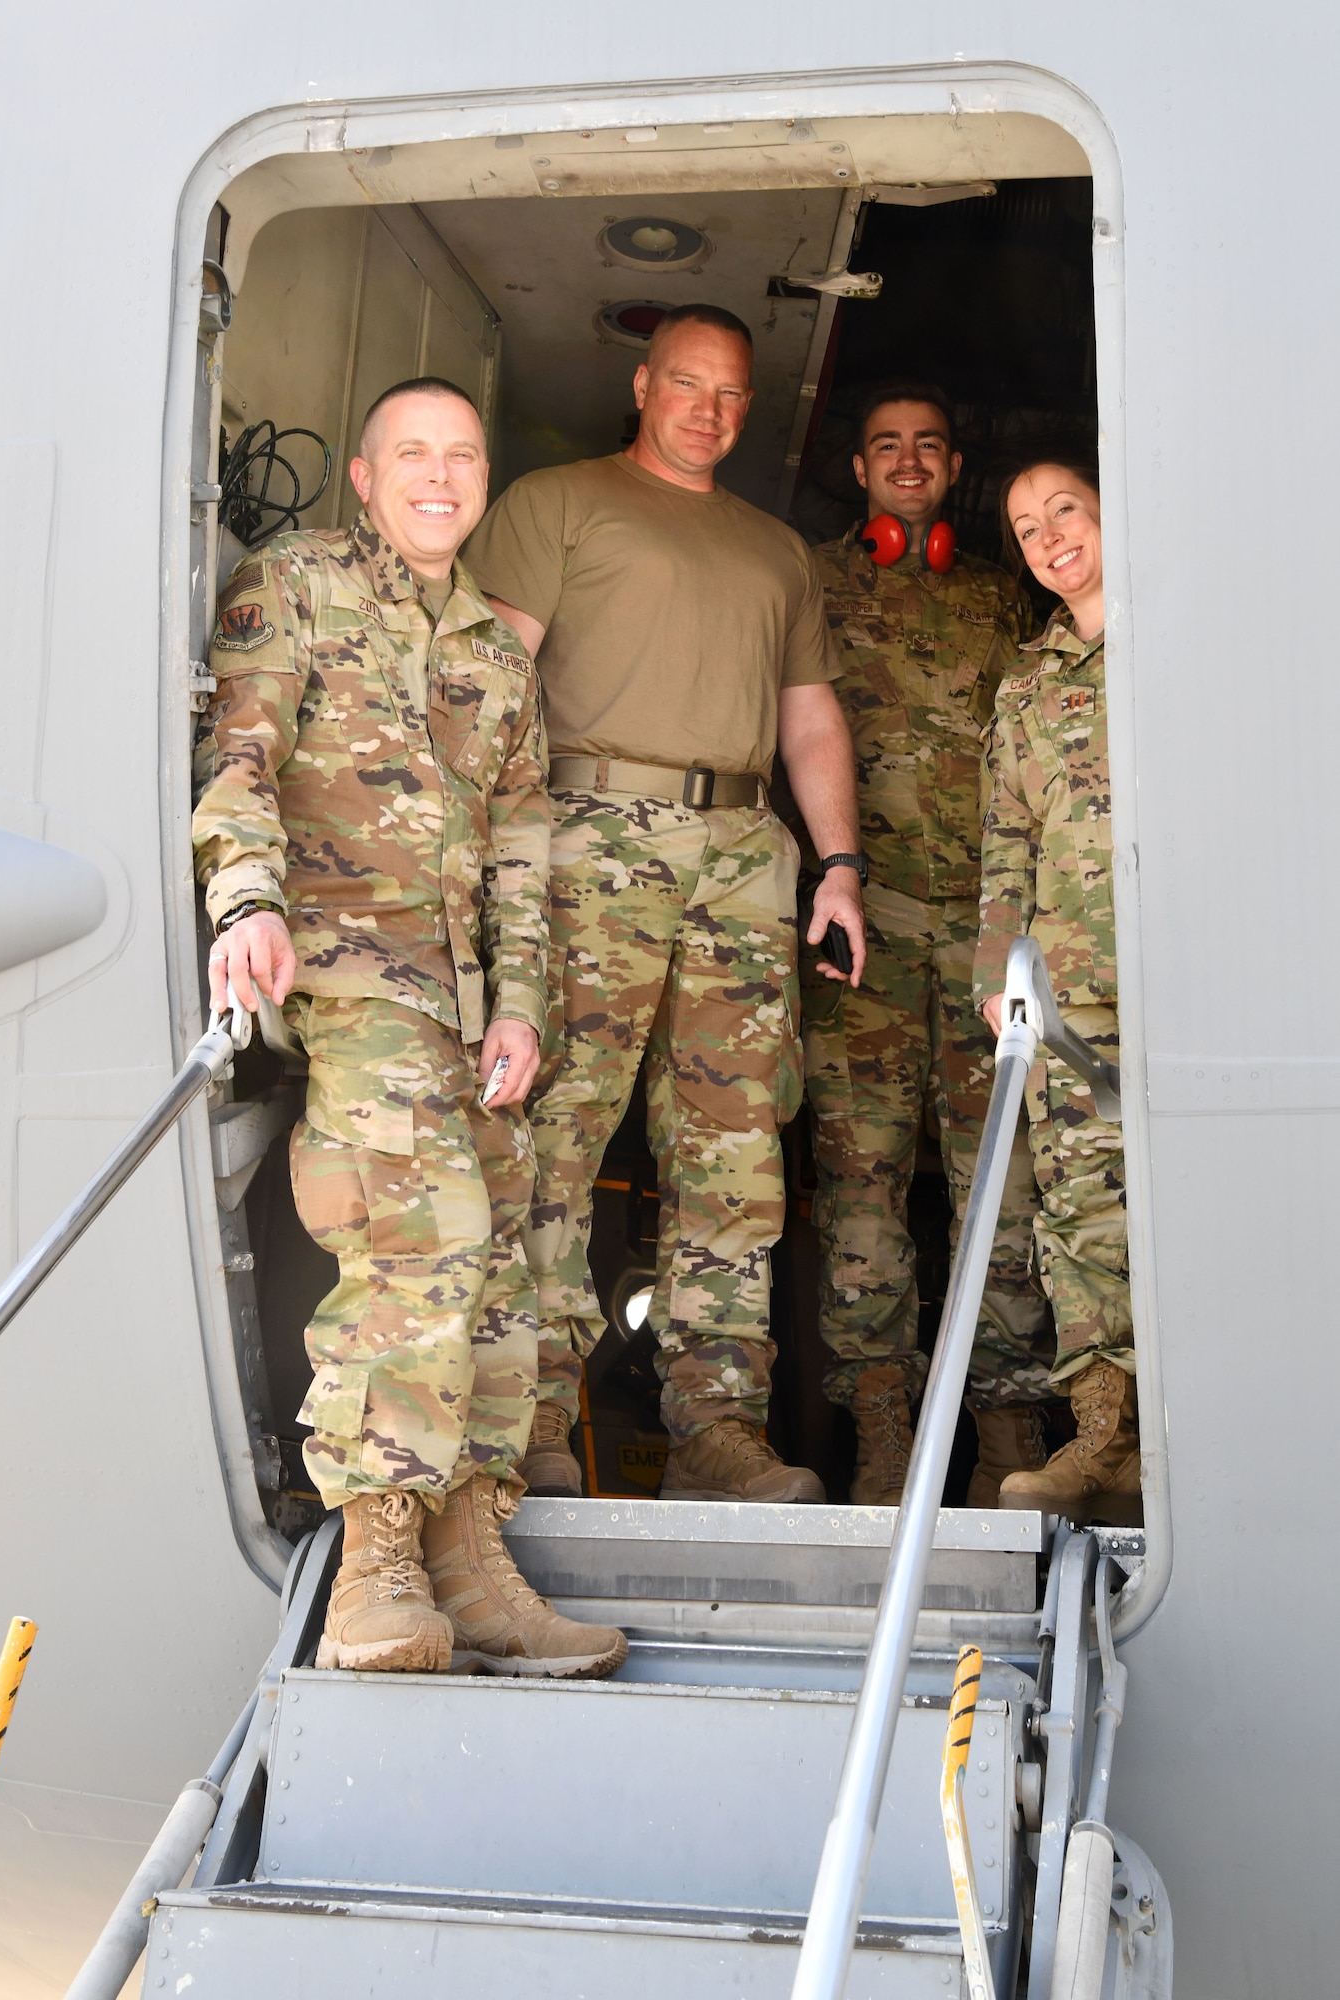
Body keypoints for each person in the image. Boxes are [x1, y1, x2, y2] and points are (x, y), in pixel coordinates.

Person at [192, 377, 626, 1676]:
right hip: (346, 967)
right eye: (413, 455)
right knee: (417, 1240)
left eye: (463, 456)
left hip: (462, 996)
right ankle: (375, 1571)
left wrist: (523, 1006)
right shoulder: (300, 582)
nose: (440, 476)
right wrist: (245, 900)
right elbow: (242, 759)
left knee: (494, 1264)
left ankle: (469, 1565)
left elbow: (520, 845)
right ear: (367, 477)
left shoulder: (496, 647)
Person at [465, 304, 866, 1504]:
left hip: (744, 848)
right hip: (592, 829)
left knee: (735, 1149)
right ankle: (531, 1410)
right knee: (558, 1132)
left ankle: (717, 1425)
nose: (710, 409)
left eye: (733, 393)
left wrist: (837, 862)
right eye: (688, 384)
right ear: (642, 385)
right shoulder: (558, 502)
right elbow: (494, 678)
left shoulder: (777, 550)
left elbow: (809, 719)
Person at [800, 385, 1053, 1506]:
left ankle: (1006, 1442)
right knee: (857, 1187)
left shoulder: (1007, 604)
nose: (907, 462)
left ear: (954, 471)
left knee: (1002, 1181)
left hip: (986, 936)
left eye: (928, 447)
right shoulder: (809, 582)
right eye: (885, 446)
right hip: (864, 934)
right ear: (859, 471)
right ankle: (883, 1438)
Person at [975, 458, 1140, 1519]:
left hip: (1197, 972)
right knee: (1080, 1212)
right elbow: (1007, 841)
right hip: (1070, 993)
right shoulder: (1027, 683)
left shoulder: (1188, 632)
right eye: (1026, 527)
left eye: (1064, 510)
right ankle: (1105, 1439)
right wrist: (1001, 973)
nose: (1048, 537)